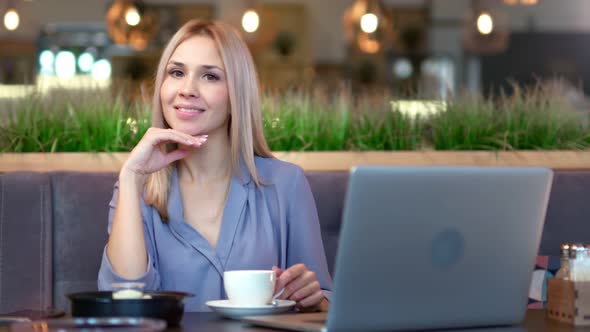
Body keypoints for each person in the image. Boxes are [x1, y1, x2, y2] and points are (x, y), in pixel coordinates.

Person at [97, 19, 333, 312]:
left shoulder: (286, 184)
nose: (187, 89)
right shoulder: (135, 188)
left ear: (237, 94)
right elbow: (124, 304)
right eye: (177, 72)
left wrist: (313, 297)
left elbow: (323, 301)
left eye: (209, 77)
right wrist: (131, 176)